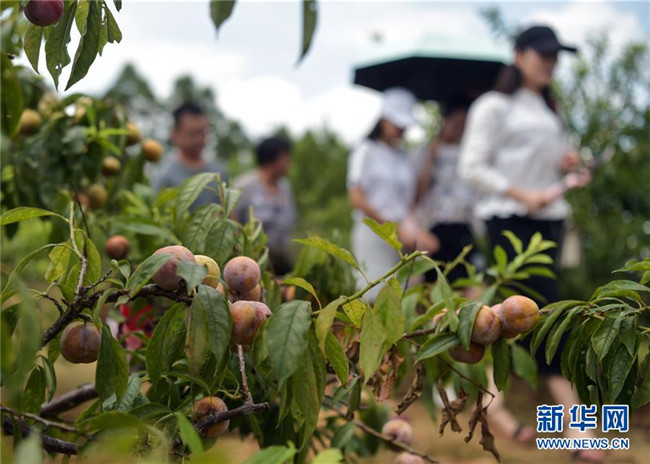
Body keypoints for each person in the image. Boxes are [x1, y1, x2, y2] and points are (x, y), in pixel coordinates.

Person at [459, 25, 600, 462]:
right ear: (519, 55)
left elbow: (549, 164)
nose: (551, 63)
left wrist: (567, 164)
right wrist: (523, 194)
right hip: (510, 225)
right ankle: (579, 432)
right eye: (543, 54)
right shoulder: (493, 106)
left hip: (549, 225)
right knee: (546, 318)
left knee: (515, 324)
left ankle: (488, 403)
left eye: (556, 56)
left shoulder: (550, 110)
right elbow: (472, 166)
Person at [347, 87, 439, 302]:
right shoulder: (366, 150)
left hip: (402, 234)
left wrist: (417, 232)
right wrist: (394, 228)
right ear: (384, 119)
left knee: (406, 297)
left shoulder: (403, 156)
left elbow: (408, 203)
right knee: (375, 295)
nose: (401, 130)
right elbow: (357, 198)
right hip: (375, 232)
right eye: (397, 124)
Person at [415, 99, 477, 288]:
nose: (460, 129)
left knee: (462, 282)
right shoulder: (426, 151)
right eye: (456, 123)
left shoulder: (467, 154)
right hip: (434, 226)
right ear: (444, 121)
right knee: (432, 282)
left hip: (461, 225)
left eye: (464, 125)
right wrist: (430, 160)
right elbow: (416, 194)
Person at [233, 136, 297, 275]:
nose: (289, 163)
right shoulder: (245, 186)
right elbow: (233, 223)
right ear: (271, 159)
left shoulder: (285, 186)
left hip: (281, 261)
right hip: (252, 262)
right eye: (286, 158)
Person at [152, 102, 228, 209]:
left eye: (202, 133)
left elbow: (230, 212)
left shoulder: (219, 172)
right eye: (192, 134)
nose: (198, 139)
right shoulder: (165, 175)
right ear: (175, 134)